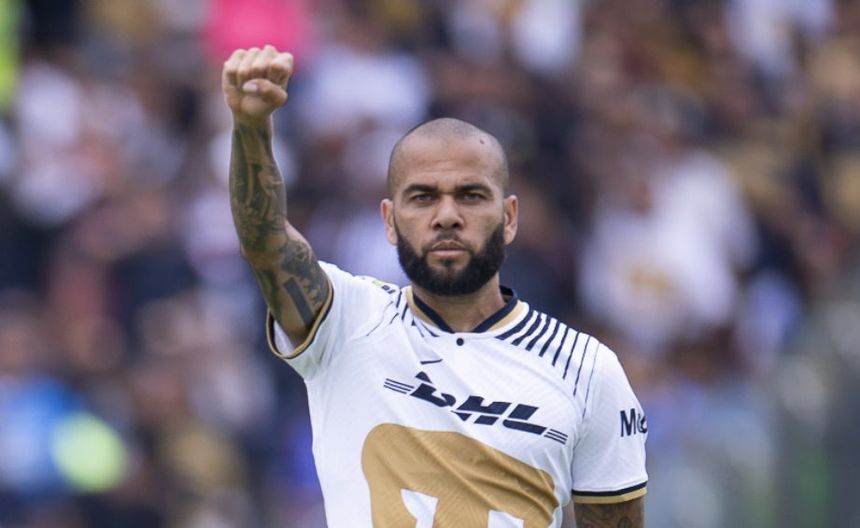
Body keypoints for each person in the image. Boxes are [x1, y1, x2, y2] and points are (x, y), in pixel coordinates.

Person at [223, 45, 648, 528]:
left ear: (509, 217)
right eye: (423, 197)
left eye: (471, 195)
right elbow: (265, 242)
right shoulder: (346, 321)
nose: (447, 216)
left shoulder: (588, 370)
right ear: (389, 220)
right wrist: (251, 126)